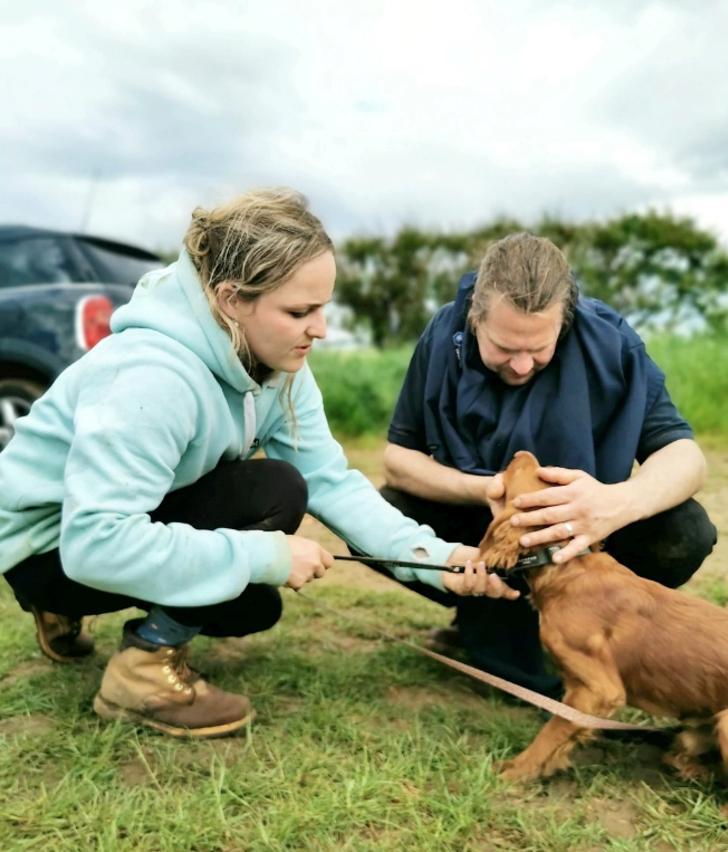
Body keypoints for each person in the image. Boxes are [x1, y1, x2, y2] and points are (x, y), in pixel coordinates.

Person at [0, 188, 506, 739]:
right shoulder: (152, 378)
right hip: (46, 546)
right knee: (274, 493)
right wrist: (262, 553)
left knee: (250, 608)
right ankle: (140, 670)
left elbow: (331, 482)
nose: (321, 329)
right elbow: (94, 544)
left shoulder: (279, 365)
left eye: (323, 307)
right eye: (299, 311)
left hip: (103, 529)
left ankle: (71, 617)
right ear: (230, 299)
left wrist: (441, 557)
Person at [380, 232, 717, 697]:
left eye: (539, 347)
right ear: (476, 317)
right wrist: (482, 490)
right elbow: (398, 460)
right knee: (385, 512)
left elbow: (686, 457)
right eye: (503, 347)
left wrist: (616, 502)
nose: (521, 366)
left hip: (583, 540)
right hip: (483, 526)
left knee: (686, 532)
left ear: (565, 321)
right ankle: (482, 614)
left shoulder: (613, 342)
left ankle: (588, 625)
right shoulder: (441, 336)